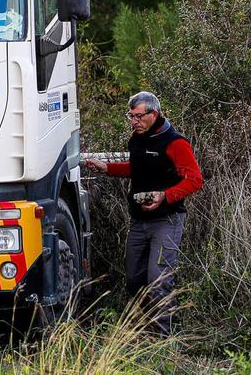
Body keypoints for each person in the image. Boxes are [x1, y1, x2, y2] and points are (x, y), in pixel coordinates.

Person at [82, 91, 203, 334]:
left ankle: (162, 338)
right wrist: (108, 168)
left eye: (138, 117)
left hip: (167, 220)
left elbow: (195, 180)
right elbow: (138, 168)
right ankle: (140, 329)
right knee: (134, 279)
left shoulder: (175, 142)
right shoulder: (137, 139)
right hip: (138, 220)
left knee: (159, 280)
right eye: (131, 116)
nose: (134, 122)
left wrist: (164, 196)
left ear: (153, 114)